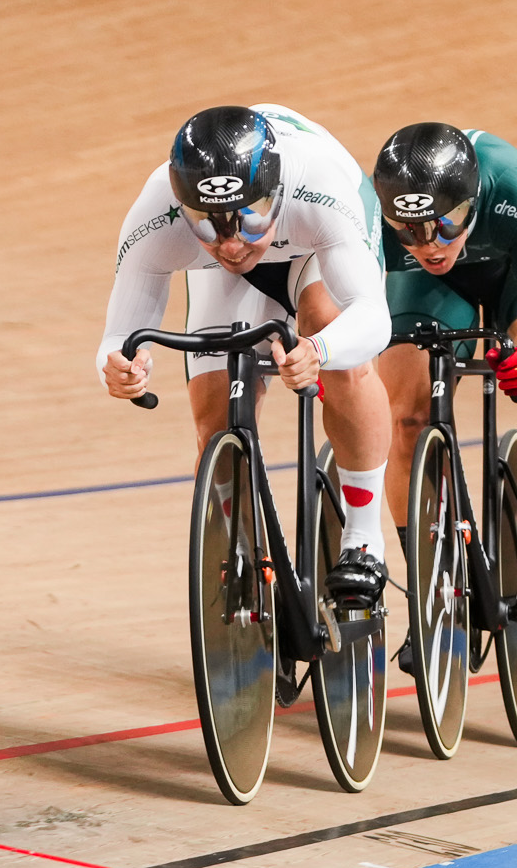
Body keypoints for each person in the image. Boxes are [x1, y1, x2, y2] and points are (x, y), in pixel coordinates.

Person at [98, 105, 394, 608]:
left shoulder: (318, 184)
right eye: (208, 226)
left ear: (275, 193)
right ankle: (239, 552)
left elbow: (373, 318)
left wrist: (319, 350)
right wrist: (119, 368)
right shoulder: (157, 212)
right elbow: (118, 337)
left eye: (246, 220)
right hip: (232, 277)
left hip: (311, 251)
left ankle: (363, 540)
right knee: (215, 424)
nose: (231, 244)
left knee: (327, 328)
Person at [373, 123, 517, 573]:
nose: (430, 245)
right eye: (409, 232)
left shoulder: (512, 192)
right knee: (408, 420)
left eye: (446, 226)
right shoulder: (378, 222)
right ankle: (428, 585)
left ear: (473, 203)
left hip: (516, 274)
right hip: (425, 287)